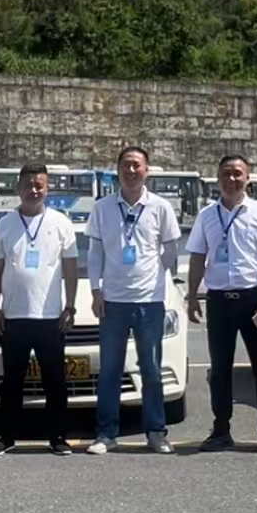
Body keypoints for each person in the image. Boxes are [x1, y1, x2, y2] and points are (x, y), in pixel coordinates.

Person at [186, 155, 257, 454]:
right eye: (226, 174)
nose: (232, 179)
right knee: (219, 370)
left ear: (248, 178)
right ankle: (221, 430)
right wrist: (192, 295)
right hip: (219, 300)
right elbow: (197, 257)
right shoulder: (206, 215)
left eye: (238, 174)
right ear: (217, 178)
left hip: (253, 299)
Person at [85, 146, 181, 455]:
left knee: (151, 370)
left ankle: (156, 432)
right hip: (113, 301)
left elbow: (170, 250)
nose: (131, 171)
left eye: (137, 165)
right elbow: (95, 253)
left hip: (149, 302)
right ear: (117, 170)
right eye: (126, 165)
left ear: (146, 170)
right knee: (110, 370)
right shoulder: (102, 208)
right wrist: (96, 291)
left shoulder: (160, 207)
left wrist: (157, 279)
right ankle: (105, 434)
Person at [0, 163, 79, 456]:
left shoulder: (61, 223)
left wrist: (70, 306)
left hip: (50, 318)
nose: (34, 190)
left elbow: (70, 268)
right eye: (28, 185)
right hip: (14, 316)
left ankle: (58, 437)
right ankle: (6, 436)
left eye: (39, 185)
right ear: (18, 189)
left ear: (48, 189)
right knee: (12, 382)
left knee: (55, 382)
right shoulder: (5, 225)